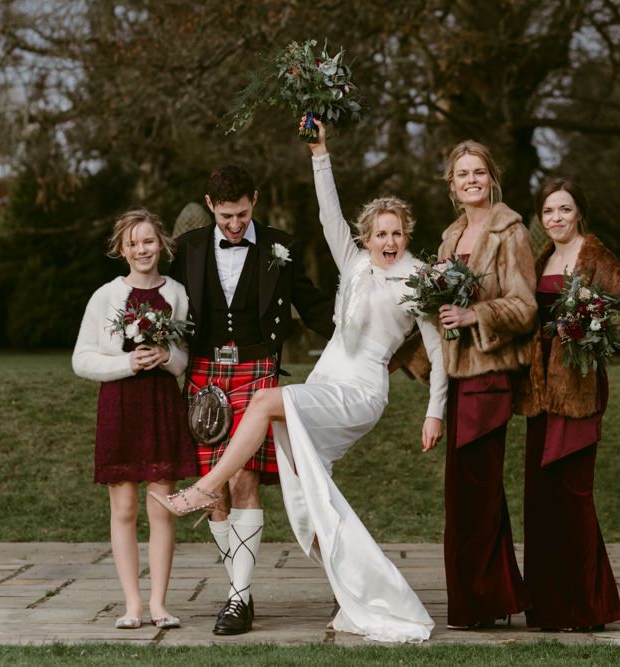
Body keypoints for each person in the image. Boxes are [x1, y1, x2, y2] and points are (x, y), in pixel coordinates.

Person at [151, 120, 448, 643]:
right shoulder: (349, 261)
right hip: (261, 374)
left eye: (397, 232)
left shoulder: (418, 278)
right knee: (307, 495)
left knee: (253, 446)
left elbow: (432, 347)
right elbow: (327, 210)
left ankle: (206, 500)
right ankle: (350, 583)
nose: (388, 240)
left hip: (332, 384)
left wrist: (434, 410)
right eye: (380, 232)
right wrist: (320, 151)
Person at [169, 164, 334, 635]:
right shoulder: (189, 249)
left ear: (255, 201)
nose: (235, 225)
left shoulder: (281, 246)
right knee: (211, 488)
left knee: (243, 478)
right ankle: (238, 588)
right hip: (204, 372)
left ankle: (238, 600)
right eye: (225, 217)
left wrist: (362, 340)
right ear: (209, 206)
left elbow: (312, 302)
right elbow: (166, 301)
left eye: (241, 214)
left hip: (256, 368)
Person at [515, 178, 620, 631]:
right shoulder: (541, 259)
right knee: (541, 497)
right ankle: (548, 605)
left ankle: (586, 606)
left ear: (579, 212)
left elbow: (612, 318)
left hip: (579, 391)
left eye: (564, 209)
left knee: (574, 497)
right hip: (540, 391)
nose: (556, 218)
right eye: (548, 212)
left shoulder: (595, 257)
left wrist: (585, 330)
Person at [72, 209, 196, 630]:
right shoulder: (105, 295)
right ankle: (132, 605)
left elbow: (185, 360)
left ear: (160, 243)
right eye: (133, 243)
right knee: (123, 508)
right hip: (120, 406)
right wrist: (128, 362)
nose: (142, 249)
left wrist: (167, 357)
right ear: (121, 249)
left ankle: (160, 604)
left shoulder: (177, 293)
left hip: (162, 405)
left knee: (161, 509)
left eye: (148, 241)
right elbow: (82, 359)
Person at [435, 140, 536, 629]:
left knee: (476, 490)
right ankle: (488, 598)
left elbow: (525, 307)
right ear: (452, 186)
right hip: (457, 379)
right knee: (466, 494)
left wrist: (475, 313)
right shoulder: (450, 238)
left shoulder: (509, 231)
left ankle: (480, 603)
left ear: (491, 177)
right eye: (461, 174)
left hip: (490, 377)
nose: (470, 180)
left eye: (478, 172)